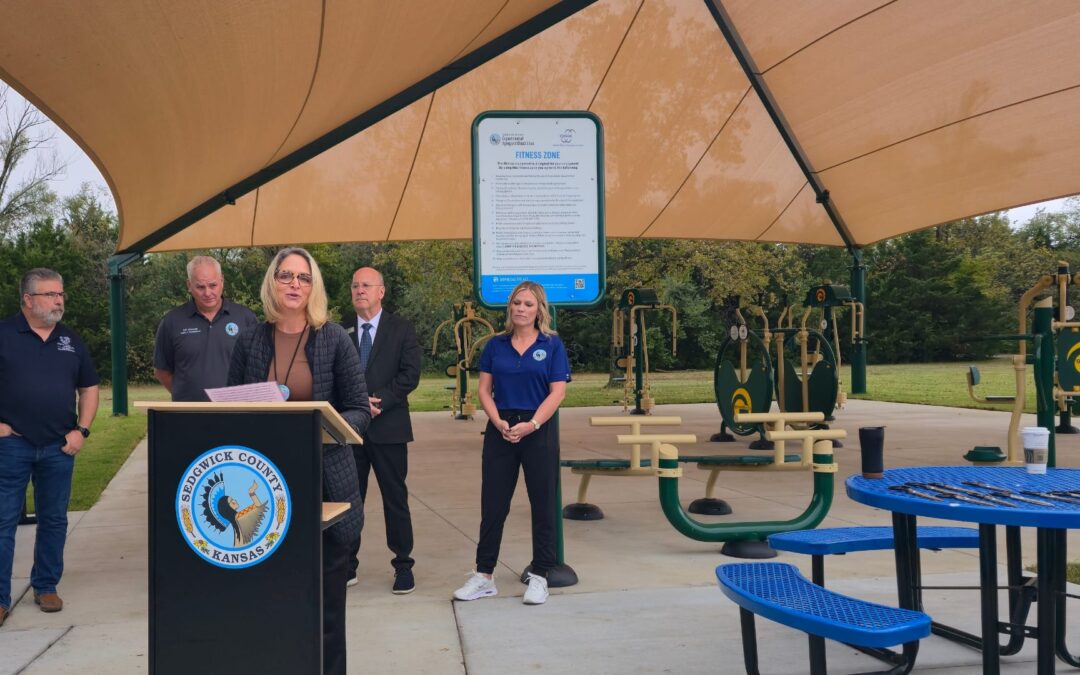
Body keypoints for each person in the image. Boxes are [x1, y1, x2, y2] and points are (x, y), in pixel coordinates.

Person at [227, 247, 369, 675]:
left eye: (303, 278)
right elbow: (232, 402)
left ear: (314, 287)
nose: (294, 284)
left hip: (325, 485)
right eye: (286, 276)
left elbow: (359, 409)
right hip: (263, 488)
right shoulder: (251, 338)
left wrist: (324, 428)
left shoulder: (334, 338)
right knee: (271, 599)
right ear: (272, 282)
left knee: (326, 605)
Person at [453, 281, 570, 606]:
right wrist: (498, 421)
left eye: (528, 304)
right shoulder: (495, 345)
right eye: (516, 303)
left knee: (543, 504)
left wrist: (532, 424)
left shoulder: (552, 345)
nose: (521, 309)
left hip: (537, 429)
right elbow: (483, 391)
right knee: (493, 505)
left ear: (539, 310)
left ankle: (541, 576)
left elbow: (557, 392)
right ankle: (484, 575)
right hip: (501, 429)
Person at [0, 268, 100, 627]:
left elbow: (89, 387)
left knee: (55, 520)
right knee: (3, 521)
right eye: (49, 294)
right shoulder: (4, 334)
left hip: (59, 448)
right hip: (12, 446)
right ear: (27, 300)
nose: (58, 300)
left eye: (60, 294)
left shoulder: (70, 340)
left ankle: (46, 586)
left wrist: (82, 431)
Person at [343, 267, 421, 594]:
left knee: (395, 499)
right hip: (349, 430)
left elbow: (410, 375)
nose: (360, 290)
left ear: (381, 291)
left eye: (367, 285)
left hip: (388, 428)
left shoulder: (401, 329)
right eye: (355, 286)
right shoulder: (339, 332)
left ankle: (403, 565)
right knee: (349, 501)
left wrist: (380, 401)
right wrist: (356, 406)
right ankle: (346, 564)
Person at [154, 255, 258, 401]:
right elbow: (161, 370)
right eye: (200, 287)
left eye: (213, 285)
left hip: (235, 413)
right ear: (189, 285)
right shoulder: (172, 321)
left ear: (222, 281)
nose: (208, 293)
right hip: (188, 415)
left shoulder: (245, 318)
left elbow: (256, 367)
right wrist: (186, 395)